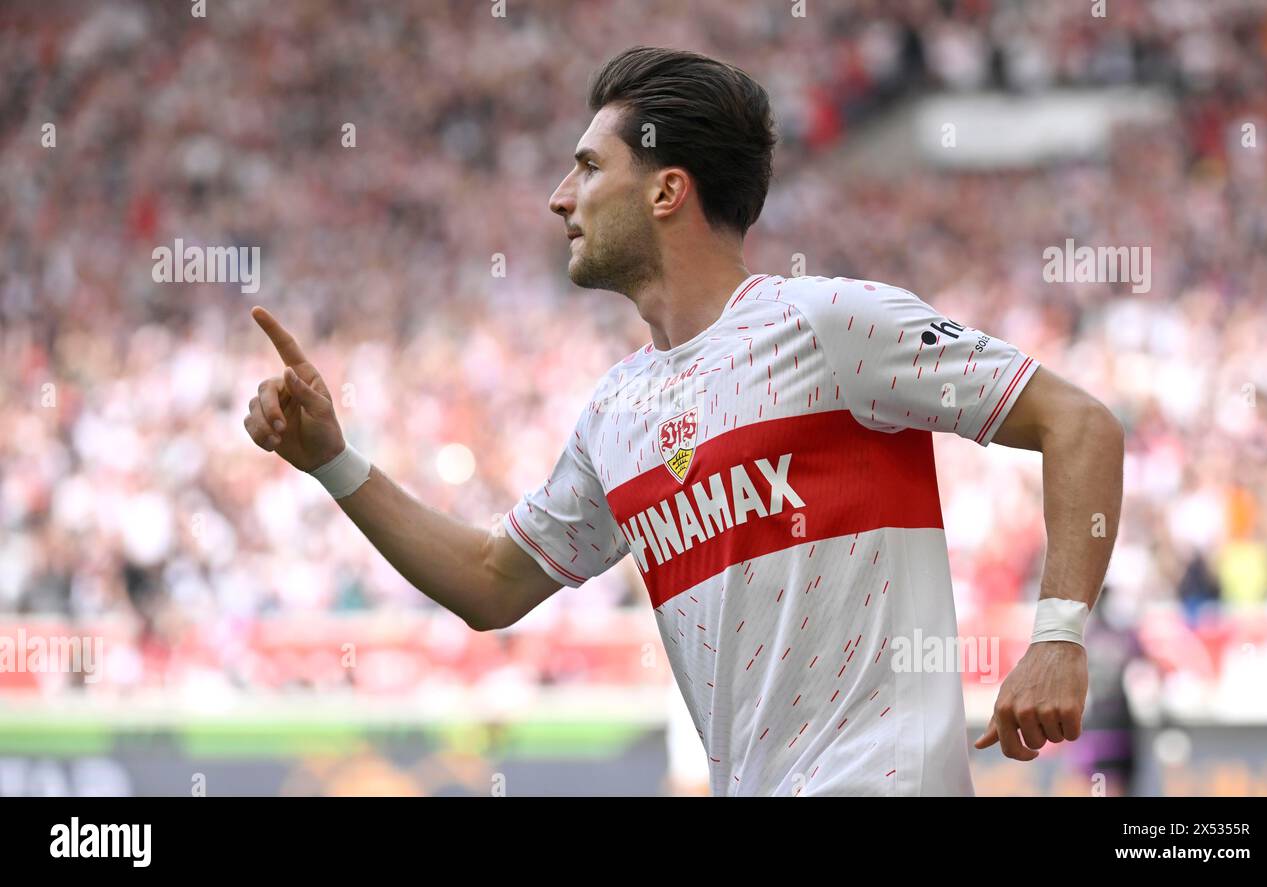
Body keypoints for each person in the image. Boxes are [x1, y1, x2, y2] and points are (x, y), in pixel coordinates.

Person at [242, 46, 1125, 796]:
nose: (559, 198)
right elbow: (490, 582)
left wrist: (1058, 637)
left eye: (588, 167)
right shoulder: (614, 414)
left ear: (667, 190)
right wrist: (334, 461)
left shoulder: (828, 325)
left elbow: (1080, 424)